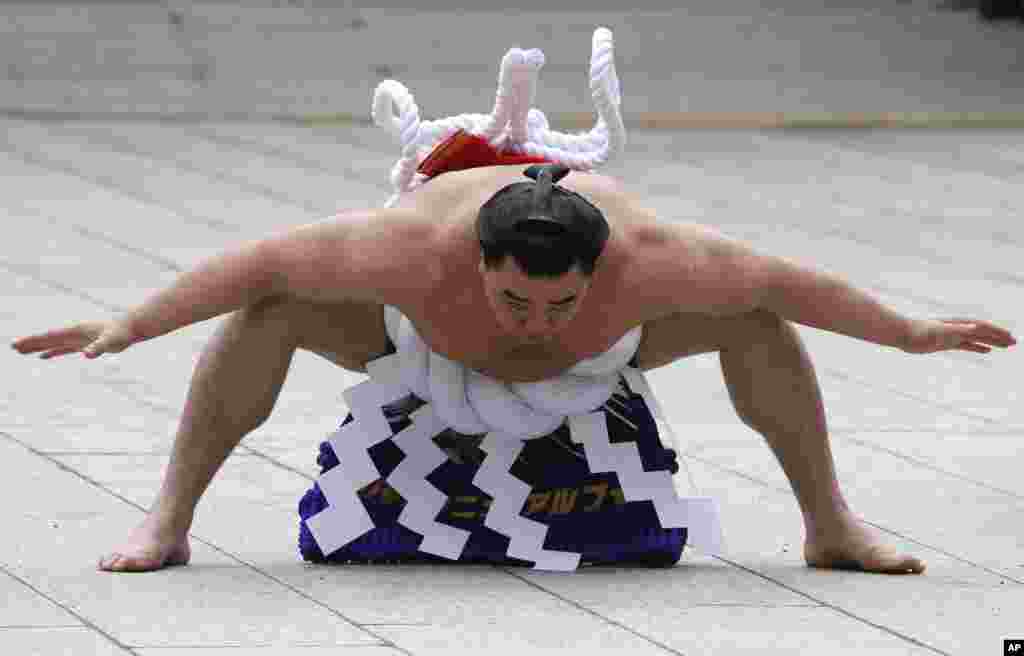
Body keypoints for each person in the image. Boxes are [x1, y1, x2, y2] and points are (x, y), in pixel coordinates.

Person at [11, 161, 1016, 575]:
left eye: (559, 299)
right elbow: (257, 263)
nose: (535, 319)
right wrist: (127, 326)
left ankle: (828, 523)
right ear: (473, 259)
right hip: (420, 346)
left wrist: (908, 334)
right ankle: (170, 521)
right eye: (515, 297)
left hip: (614, 358)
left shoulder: (659, 255)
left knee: (755, 323)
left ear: (601, 267)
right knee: (269, 312)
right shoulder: (405, 245)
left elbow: (790, 285)